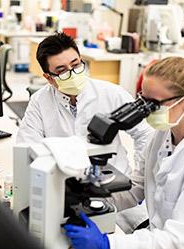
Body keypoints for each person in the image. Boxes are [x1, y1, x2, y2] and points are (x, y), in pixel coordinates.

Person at [64, 55, 184, 249]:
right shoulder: (161, 136)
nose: (146, 111)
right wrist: (90, 201)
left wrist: (108, 243)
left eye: (154, 104)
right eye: (143, 100)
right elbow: (137, 187)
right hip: (161, 238)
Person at [17, 32, 153, 178]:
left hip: (113, 182)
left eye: (76, 65)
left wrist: (139, 179)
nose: (73, 74)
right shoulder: (39, 101)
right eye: (62, 71)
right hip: (64, 183)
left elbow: (144, 134)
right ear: (49, 78)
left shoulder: (111, 93)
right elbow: (27, 146)